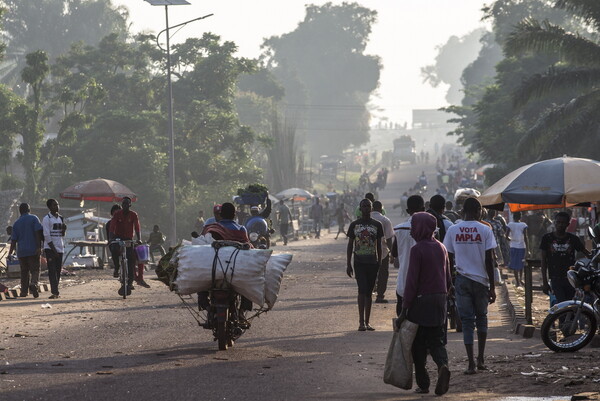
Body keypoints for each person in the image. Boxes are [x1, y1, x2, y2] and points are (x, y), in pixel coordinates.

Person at [398, 212, 451, 395]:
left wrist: (404, 310)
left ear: (420, 228)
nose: (411, 230)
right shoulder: (441, 247)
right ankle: (443, 365)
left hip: (421, 300)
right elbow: (448, 279)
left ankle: (424, 383)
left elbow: (412, 282)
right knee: (436, 340)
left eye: (414, 226)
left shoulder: (417, 249)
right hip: (440, 299)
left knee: (418, 344)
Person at [443, 197, 496, 375]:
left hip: (462, 280)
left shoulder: (452, 230)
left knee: (466, 322)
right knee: (482, 318)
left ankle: (471, 363)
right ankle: (481, 359)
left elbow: (448, 259)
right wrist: (493, 286)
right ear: (479, 211)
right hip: (481, 281)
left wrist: (449, 282)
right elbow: (490, 260)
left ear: (463, 211)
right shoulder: (485, 229)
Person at [346, 199, 384, 331]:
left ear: (372, 208)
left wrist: (379, 261)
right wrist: (348, 264)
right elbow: (350, 244)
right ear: (360, 208)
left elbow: (379, 245)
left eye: (368, 206)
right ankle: (361, 322)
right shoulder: (354, 225)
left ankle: (367, 322)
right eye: (364, 206)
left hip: (372, 262)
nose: (366, 208)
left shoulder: (377, 225)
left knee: (369, 292)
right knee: (361, 290)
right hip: (359, 262)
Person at [540, 211, 590, 304]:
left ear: (568, 224)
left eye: (563, 223)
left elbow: (586, 253)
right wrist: (545, 282)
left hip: (571, 278)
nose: (560, 225)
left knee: (570, 304)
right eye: (558, 222)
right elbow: (543, 261)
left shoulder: (573, 239)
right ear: (554, 223)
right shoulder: (547, 238)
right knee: (562, 304)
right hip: (555, 278)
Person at [392, 195, 424, 315]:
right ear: (424, 209)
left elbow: (394, 252)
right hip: (424, 279)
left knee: (402, 307)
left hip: (404, 275)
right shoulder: (431, 229)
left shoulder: (400, 229)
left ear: (407, 211)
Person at [8, 203, 43, 298]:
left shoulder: (16, 223)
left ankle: (24, 292)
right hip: (33, 250)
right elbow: (38, 233)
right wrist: (39, 247)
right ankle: (34, 283)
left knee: (24, 272)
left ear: (20, 211)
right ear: (29, 209)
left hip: (22, 252)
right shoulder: (34, 218)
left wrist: (10, 253)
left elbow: (13, 240)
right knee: (35, 269)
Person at [109, 197, 142, 296]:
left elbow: (137, 227)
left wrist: (139, 239)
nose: (125, 206)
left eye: (127, 204)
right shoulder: (117, 214)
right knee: (114, 249)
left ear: (130, 205)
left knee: (130, 260)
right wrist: (111, 238)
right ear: (122, 205)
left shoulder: (133, 215)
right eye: (123, 204)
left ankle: (130, 282)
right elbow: (112, 227)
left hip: (129, 239)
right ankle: (117, 267)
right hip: (118, 238)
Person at [42, 199, 66, 299]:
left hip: (60, 247)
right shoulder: (47, 219)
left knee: (58, 270)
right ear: (50, 207)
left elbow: (62, 235)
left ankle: (56, 291)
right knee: (52, 270)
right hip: (50, 248)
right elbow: (47, 235)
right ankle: (55, 291)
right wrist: (53, 250)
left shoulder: (60, 218)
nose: (57, 206)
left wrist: (64, 230)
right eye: (54, 205)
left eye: (57, 204)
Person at [371, 201, 394, 303]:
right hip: (383, 252)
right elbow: (389, 239)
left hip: (367, 252)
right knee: (383, 274)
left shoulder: (365, 219)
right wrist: (393, 253)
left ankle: (367, 294)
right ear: (381, 209)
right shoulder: (385, 220)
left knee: (369, 273)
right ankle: (380, 296)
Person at [506, 212, 529, 287]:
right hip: (522, 246)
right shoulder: (523, 225)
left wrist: (511, 240)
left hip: (513, 246)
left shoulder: (510, 224)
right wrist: (528, 249)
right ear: (520, 217)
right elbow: (526, 237)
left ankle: (517, 281)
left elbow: (506, 236)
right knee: (521, 263)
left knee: (514, 263)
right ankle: (520, 279)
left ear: (513, 216)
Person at [106, 204, 122, 278]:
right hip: (114, 243)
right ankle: (116, 267)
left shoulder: (124, 222)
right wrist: (110, 240)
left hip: (124, 242)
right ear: (112, 213)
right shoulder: (109, 224)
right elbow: (108, 237)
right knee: (114, 249)